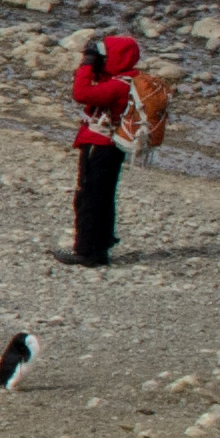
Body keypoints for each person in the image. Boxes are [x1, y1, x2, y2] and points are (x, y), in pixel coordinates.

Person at [66, 30, 146, 266]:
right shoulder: (131, 79)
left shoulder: (117, 86)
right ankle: (101, 246)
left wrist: (86, 64)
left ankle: (87, 250)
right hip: (114, 145)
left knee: (90, 196)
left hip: (100, 144)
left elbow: (81, 93)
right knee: (104, 195)